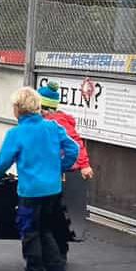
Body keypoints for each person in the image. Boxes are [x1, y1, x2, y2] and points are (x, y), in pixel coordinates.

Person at [0, 87, 80, 271]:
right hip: (53, 190)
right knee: (45, 228)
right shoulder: (53, 127)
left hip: (31, 192)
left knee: (29, 232)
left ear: (18, 109)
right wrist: (59, 167)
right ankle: (55, 269)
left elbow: (3, 162)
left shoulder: (16, 133)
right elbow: (73, 149)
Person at [38, 81, 94, 257]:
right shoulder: (44, 122)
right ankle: (56, 252)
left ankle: (56, 254)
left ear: (43, 107)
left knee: (54, 214)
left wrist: (84, 164)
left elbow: (76, 143)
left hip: (61, 173)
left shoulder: (58, 122)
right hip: (55, 173)